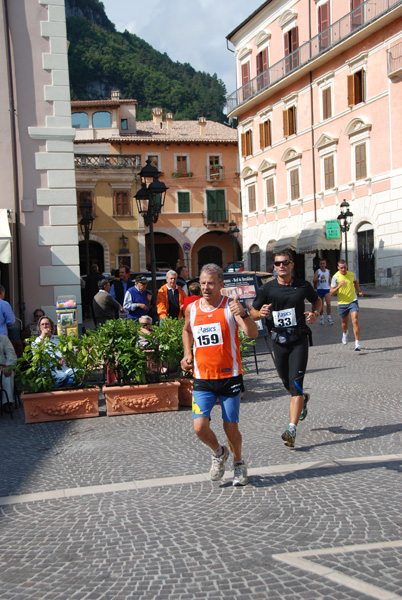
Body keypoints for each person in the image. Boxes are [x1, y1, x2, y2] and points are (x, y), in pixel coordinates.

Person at [181, 263, 258, 486]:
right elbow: (187, 330)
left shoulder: (230, 306)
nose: (206, 287)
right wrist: (187, 353)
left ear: (221, 285)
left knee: (230, 427)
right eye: (203, 283)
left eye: (211, 283)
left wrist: (244, 314)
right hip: (202, 378)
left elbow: (251, 334)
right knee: (199, 427)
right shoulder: (192, 309)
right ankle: (218, 452)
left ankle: (239, 463)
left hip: (229, 377)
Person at [251, 251, 322, 449]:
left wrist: (315, 313)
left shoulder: (302, 286)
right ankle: (303, 399)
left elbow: (318, 301)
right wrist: (260, 313)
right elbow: (253, 312)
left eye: (285, 263)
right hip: (278, 341)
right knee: (287, 385)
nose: (281, 266)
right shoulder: (267, 289)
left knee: (296, 384)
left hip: (298, 339)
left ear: (292, 265)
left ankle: (291, 429)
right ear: (273, 267)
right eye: (277, 263)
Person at [330, 259, 364, 351]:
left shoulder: (351, 274)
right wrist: (338, 286)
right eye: (341, 268)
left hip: (353, 301)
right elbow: (331, 293)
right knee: (345, 323)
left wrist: (359, 291)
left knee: (355, 320)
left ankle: (357, 343)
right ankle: (345, 333)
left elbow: (355, 282)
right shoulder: (335, 277)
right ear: (338, 268)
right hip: (342, 304)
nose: (343, 270)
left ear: (347, 266)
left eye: (345, 267)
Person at [34, 316, 75, 388]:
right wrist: (43, 337)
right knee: (63, 377)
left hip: (63, 368)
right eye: (42, 324)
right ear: (40, 327)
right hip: (48, 370)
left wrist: (64, 357)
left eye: (47, 324)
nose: (45, 326)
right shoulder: (37, 341)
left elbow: (69, 351)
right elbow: (36, 355)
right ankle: (54, 391)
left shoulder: (57, 338)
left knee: (80, 374)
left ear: (51, 326)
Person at [313, 258, 333, 325]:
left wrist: (332, 286)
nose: (322, 265)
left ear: (325, 264)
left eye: (323, 263)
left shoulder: (328, 271)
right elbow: (314, 281)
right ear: (319, 264)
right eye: (321, 264)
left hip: (327, 289)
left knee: (328, 303)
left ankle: (329, 318)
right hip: (320, 289)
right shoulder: (318, 271)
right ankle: (321, 318)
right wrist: (319, 278)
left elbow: (329, 279)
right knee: (321, 304)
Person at [0, 334, 17, 412]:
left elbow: (11, 354)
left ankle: (8, 402)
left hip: (2, 366)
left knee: (7, 375)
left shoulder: (3, 339)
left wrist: (9, 365)